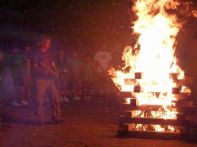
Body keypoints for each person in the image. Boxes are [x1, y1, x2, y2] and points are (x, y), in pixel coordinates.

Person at [33, 36, 63, 124]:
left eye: (49, 43)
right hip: (40, 79)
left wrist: (57, 72)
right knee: (39, 100)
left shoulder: (49, 54)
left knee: (55, 98)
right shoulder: (36, 53)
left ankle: (56, 117)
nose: (48, 44)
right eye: (46, 42)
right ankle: (39, 118)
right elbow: (35, 67)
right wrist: (43, 71)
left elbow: (53, 65)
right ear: (42, 42)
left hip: (50, 79)